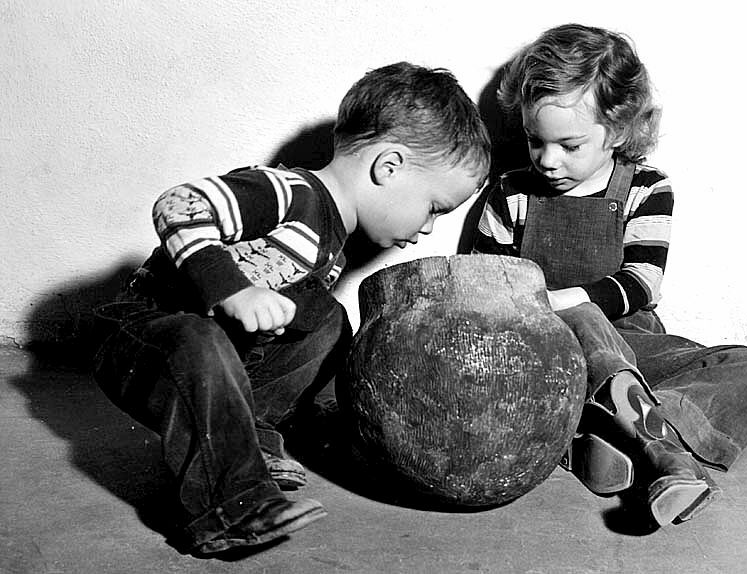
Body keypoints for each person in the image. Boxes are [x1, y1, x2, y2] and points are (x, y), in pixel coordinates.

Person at [92, 61, 491, 556]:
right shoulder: (288, 193)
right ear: (388, 166)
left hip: (217, 357)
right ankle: (229, 506)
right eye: (434, 207)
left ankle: (250, 441)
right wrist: (231, 289)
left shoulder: (333, 238)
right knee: (199, 338)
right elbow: (179, 203)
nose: (430, 228)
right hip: (145, 333)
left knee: (325, 319)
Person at [468, 24, 747, 527]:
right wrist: (556, 310)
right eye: (533, 141)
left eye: (569, 144)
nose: (547, 160)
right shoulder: (511, 193)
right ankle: (660, 453)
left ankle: (615, 434)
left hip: (631, 344)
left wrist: (565, 297)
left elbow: (642, 283)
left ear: (621, 128)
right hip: (548, 352)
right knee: (578, 319)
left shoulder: (647, 188)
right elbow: (483, 283)